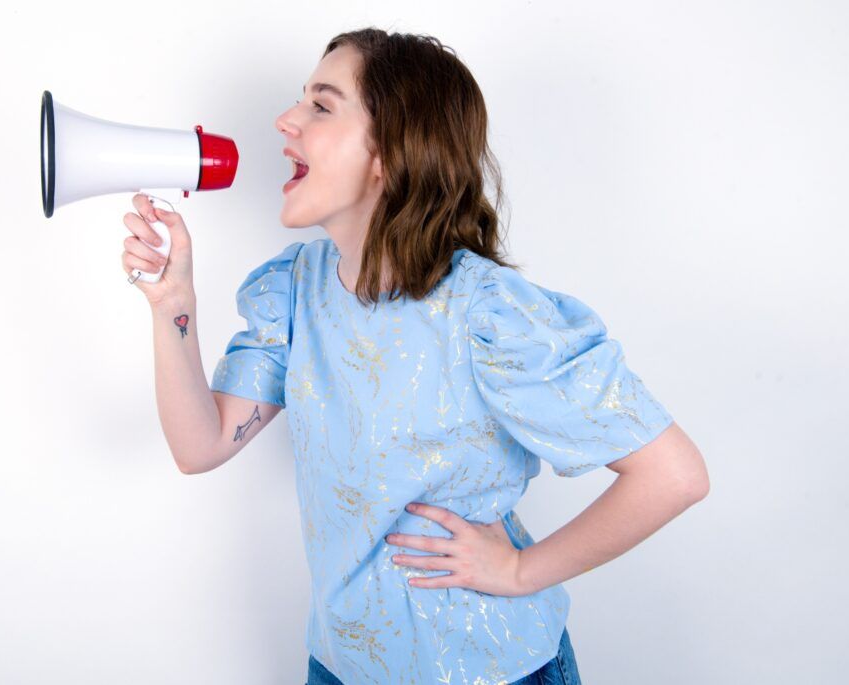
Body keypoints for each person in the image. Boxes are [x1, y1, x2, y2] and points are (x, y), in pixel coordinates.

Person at [121, 27, 709, 685]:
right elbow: (199, 446)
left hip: (490, 672)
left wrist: (519, 568)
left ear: (389, 153)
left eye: (321, 104)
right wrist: (172, 301)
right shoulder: (294, 290)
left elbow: (674, 473)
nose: (286, 121)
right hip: (341, 667)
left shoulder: (489, 313)